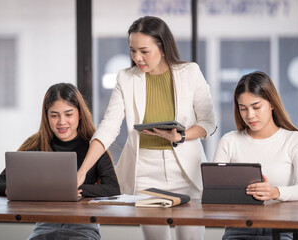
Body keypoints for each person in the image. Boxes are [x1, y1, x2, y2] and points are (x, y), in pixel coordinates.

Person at [77, 16, 217, 240]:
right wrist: (82, 171)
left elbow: (208, 122)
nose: (137, 58)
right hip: (144, 172)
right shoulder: (126, 78)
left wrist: (180, 136)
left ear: (162, 46)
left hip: (185, 171)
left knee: (191, 237)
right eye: (132, 50)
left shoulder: (190, 72)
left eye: (144, 51)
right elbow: (109, 126)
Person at [0, 83, 120, 240]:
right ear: (47, 116)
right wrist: (22, 190)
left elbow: (113, 189)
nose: (61, 122)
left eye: (68, 114)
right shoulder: (36, 145)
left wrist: (75, 191)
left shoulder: (94, 147)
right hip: (45, 227)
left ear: (79, 114)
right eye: (54, 115)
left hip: (83, 227)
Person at [213, 71, 298, 240]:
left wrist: (275, 192)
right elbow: (212, 191)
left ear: (272, 104)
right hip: (238, 229)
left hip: (279, 228)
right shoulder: (229, 141)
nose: (249, 115)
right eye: (243, 108)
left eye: (256, 107)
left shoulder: (295, 140)